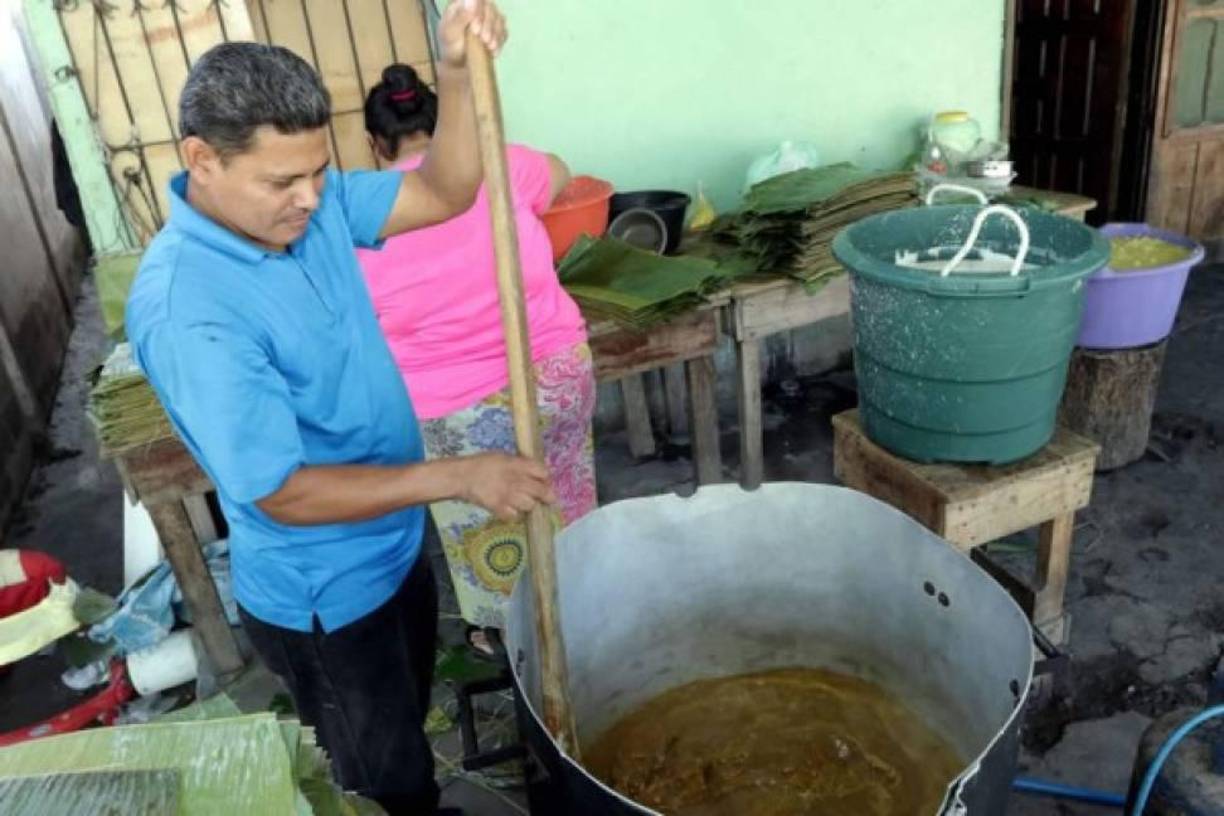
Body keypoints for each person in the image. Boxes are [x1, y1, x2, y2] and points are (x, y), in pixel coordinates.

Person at [125, 4, 534, 814]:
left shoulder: (304, 212)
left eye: (319, 170)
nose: (312, 198)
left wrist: (453, 67)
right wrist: (455, 475)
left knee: (407, 724)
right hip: (325, 599)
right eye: (283, 179)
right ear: (200, 160)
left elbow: (446, 190)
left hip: (390, 551)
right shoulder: (192, 308)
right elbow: (281, 490)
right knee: (381, 782)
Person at [357, 65, 597, 652]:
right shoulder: (501, 161)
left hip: (454, 412)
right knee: (564, 492)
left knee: (485, 522)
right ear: (445, 127)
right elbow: (562, 171)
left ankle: (508, 634)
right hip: (558, 377)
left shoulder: (363, 211)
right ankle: (589, 597)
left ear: (374, 143)